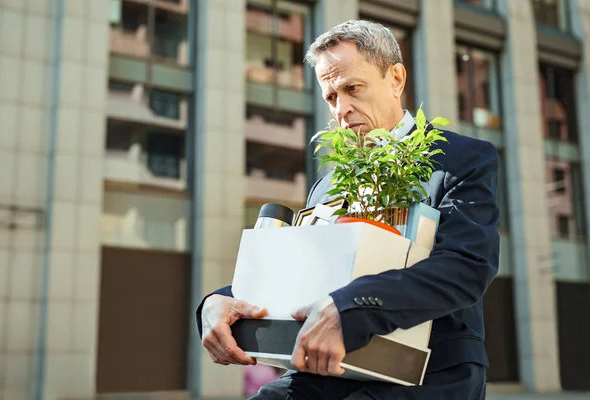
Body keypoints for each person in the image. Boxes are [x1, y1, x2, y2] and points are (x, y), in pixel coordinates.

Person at [196, 20, 500, 400]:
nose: (342, 109)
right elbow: (303, 277)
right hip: (326, 372)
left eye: (352, 88)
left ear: (396, 79)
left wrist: (349, 307)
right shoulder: (326, 185)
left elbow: (467, 267)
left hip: (428, 374)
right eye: (331, 96)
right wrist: (219, 302)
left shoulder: (461, 158)